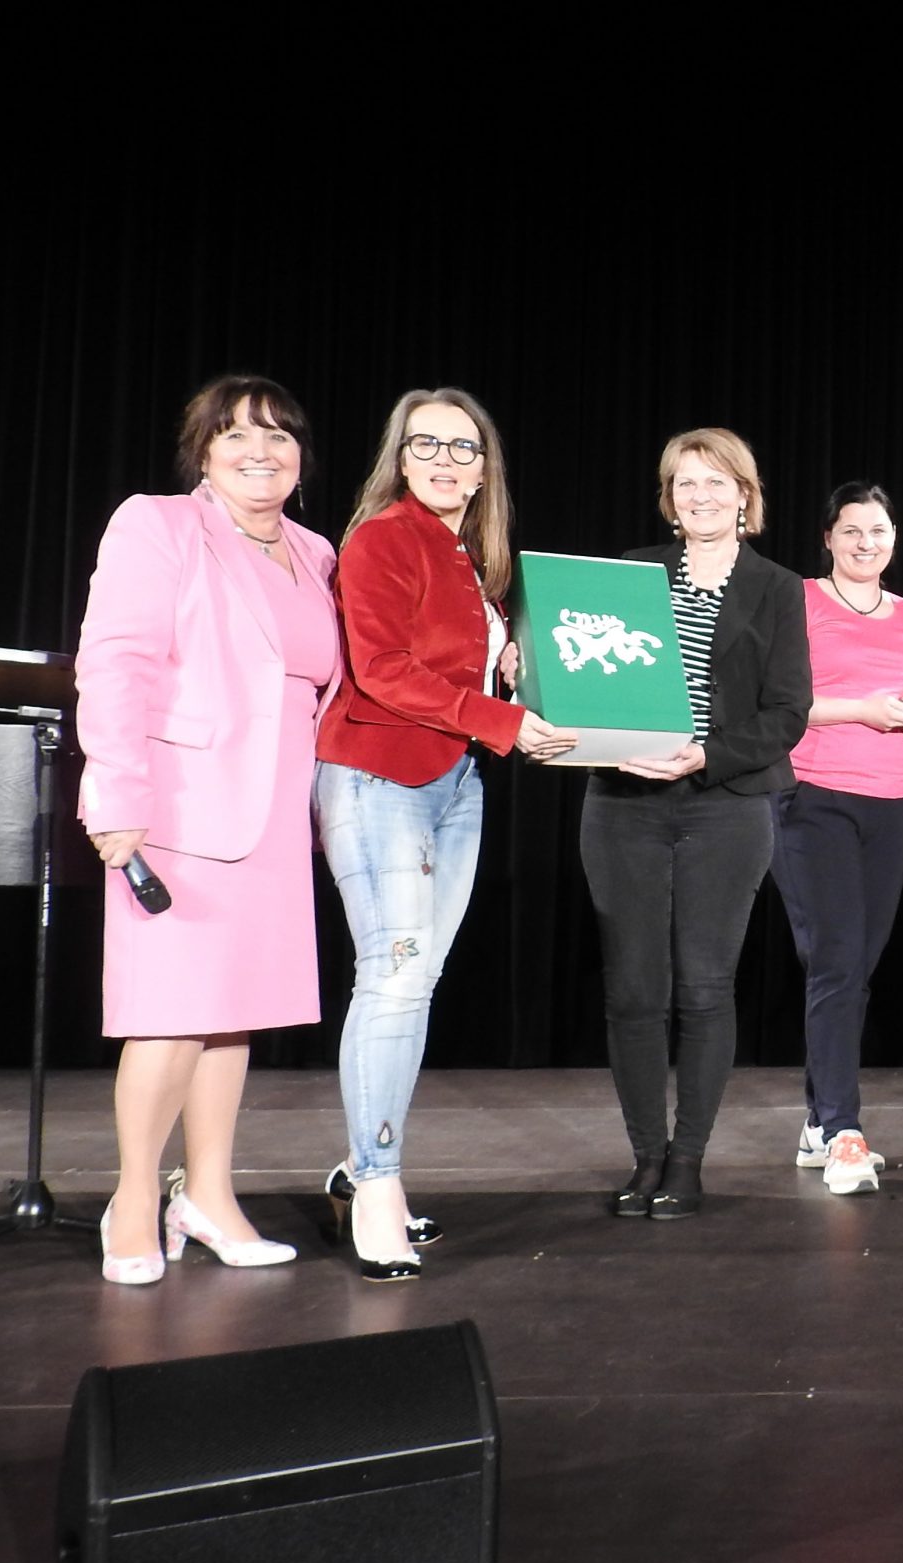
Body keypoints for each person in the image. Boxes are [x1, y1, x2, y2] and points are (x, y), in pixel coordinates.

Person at [73, 376, 337, 1283]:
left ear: (301, 457)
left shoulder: (315, 550)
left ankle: (210, 1198)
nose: (260, 451)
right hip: (181, 808)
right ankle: (132, 1200)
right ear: (205, 451)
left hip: (276, 816)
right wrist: (116, 794)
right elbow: (115, 661)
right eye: (236, 435)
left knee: (232, 1018)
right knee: (170, 1015)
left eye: (279, 435)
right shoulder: (159, 524)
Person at [317, 388, 575, 1280]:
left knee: (414, 982)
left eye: (463, 448)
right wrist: (504, 720)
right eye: (425, 444)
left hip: (453, 781)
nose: (443, 460)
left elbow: (450, 668)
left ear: (484, 469)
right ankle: (377, 1182)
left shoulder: (470, 557)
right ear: (400, 456)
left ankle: (363, 1170)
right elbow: (382, 670)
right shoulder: (381, 537)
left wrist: (510, 668)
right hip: (377, 772)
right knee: (393, 978)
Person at [585, 430, 810, 1222]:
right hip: (623, 803)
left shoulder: (777, 588)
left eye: (717, 483)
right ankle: (646, 1155)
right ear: (669, 498)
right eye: (686, 483)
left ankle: (687, 1160)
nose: (701, 496)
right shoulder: (630, 573)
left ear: (745, 496)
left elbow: (788, 713)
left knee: (705, 987)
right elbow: (591, 674)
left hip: (725, 804)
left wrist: (704, 755)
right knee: (633, 990)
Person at [774, 482, 903, 1196]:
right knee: (839, 961)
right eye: (851, 530)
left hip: (894, 803)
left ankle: (819, 1120)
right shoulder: (799, 602)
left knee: (853, 967)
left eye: (877, 531)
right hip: (813, 797)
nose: (865, 543)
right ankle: (843, 1131)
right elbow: (780, 702)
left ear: (894, 539)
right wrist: (862, 709)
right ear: (828, 537)